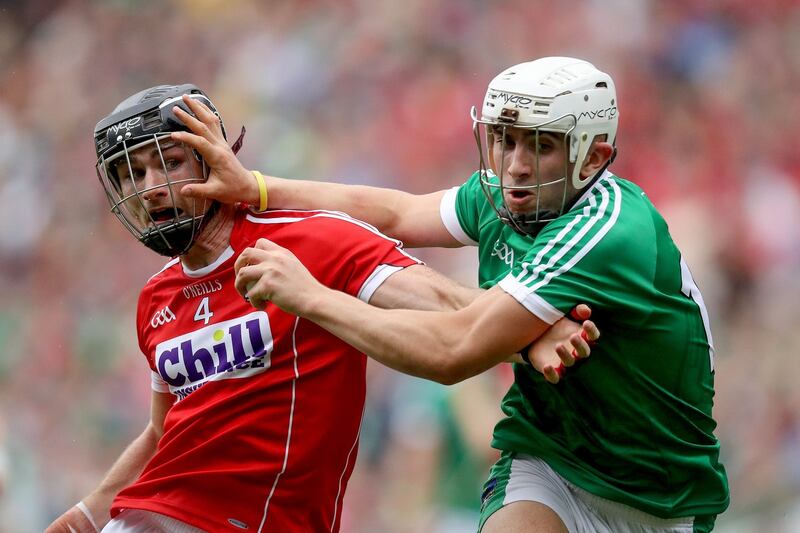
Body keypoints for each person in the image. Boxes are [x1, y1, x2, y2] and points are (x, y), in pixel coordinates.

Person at [178, 57, 730, 532]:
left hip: (664, 500)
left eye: (541, 146)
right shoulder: (509, 196)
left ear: (592, 157)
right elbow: (397, 213)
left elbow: (451, 353)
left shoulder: (606, 231)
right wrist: (258, 188)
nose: (514, 165)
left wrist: (311, 296)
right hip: (553, 463)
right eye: (506, 139)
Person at [46, 84, 596, 532]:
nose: (151, 188)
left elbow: (440, 300)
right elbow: (163, 433)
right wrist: (87, 514)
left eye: (166, 164)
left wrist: (532, 329)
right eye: (133, 175)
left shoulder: (312, 239)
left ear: (212, 156)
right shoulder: (154, 298)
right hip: (152, 517)